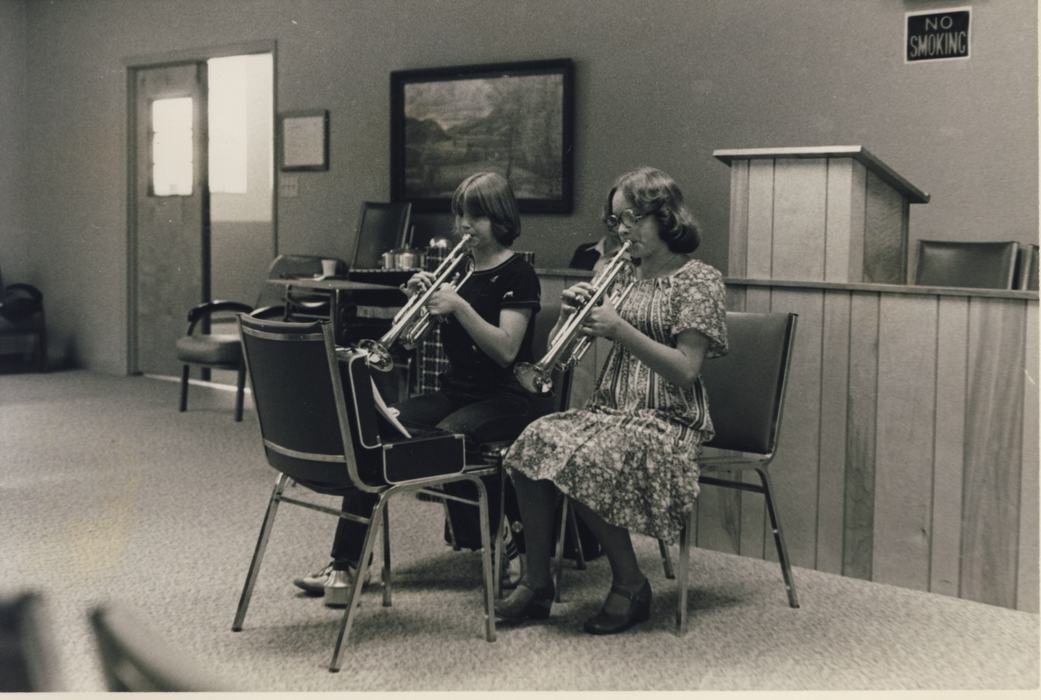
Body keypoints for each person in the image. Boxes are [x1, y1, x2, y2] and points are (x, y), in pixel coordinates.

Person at [495, 166, 728, 634]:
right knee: (530, 444)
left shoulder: (699, 281)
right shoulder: (619, 273)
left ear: (665, 217)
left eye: (632, 219)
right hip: (611, 409)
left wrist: (621, 328)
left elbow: (686, 370)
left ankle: (629, 584)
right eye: (615, 221)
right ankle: (537, 582)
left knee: (587, 459)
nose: (621, 232)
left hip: (668, 418)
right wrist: (568, 316)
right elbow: (565, 351)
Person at [295, 171, 543, 606]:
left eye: (478, 217)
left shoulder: (518, 274)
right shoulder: (460, 271)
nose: (466, 225)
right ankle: (347, 564)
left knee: (447, 437)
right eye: (461, 215)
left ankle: (508, 539)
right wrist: (424, 301)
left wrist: (459, 307)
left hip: (504, 397)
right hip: (457, 391)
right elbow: (418, 339)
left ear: (501, 219)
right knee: (374, 434)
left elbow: (505, 351)